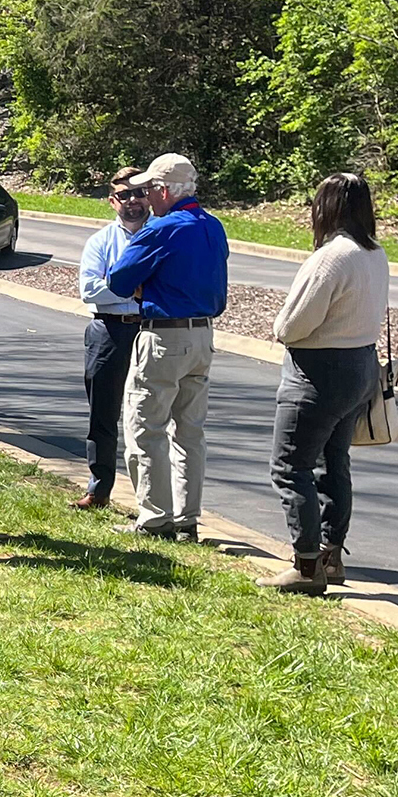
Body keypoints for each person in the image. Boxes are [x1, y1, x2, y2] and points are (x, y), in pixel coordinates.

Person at [258, 172, 390, 594]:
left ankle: (306, 565)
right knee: (334, 462)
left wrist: (279, 326)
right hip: (361, 367)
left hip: (317, 372)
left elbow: (292, 325)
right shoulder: (375, 253)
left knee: (290, 466)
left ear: (325, 207)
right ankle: (332, 556)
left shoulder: (330, 257)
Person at [104, 152, 228, 539]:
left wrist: (146, 283)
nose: (145, 197)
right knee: (190, 431)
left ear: (162, 190)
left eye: (148, 189)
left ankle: (155, 516)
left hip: (163, 335)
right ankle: (187, 517)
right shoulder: (213, 226)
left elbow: (120, 280)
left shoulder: (162, 229)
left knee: (147, 426)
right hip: (203, 333)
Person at [72, 167, 151, 508]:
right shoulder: (100, 242)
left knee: (150, 414)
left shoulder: (162, 235)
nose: (133, 200)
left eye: (139, 193)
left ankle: (150, 499)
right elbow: (89, 290)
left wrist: (116, 286)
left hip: (151, 330)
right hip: (108, 331)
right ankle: (99, 488)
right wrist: (132, 294)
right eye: (124, 195)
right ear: (112, 202)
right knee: (103, 414)